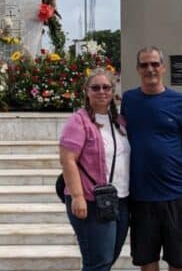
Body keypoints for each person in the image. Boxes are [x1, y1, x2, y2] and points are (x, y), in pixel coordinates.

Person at [121, 46, 182, 271]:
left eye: (154, 64)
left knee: (179, 262)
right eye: (144, 65)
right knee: (147, 262)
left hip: (176, 197)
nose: (150, 69)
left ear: (163, 67)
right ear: (137, 69)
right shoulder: (129, 100)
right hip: (141, 198)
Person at [59, 68, 130, 270]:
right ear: (86, 91)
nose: (101, 92)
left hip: (120, 198)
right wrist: (78, 196)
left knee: (109, 257)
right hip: (91, 201)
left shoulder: (119, 121)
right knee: (98, 262)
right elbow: (68, 160)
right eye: (95, 87)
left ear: (113, 91)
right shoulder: (78, 121)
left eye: (106, 87)